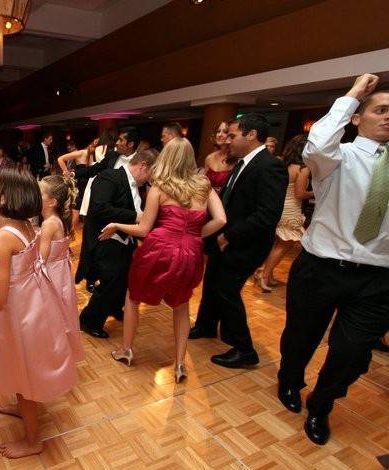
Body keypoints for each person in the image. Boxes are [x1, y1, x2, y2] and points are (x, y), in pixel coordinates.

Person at [277, 74, 389, 445]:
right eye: (381, 110)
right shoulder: (336, 157)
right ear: (357, 117)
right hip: (320, 267)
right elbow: (318, 143)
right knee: (300, 336)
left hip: (377, 279)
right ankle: (290, 381)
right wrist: (354, 94)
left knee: (352, 353)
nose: (388, 117)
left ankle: (322, 404)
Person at [0, 168, 78, 459]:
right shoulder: (25, 225)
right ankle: (21, 408)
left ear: (5, 196)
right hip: (32, 304)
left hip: (18, 312)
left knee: (23, 370)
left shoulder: (3, 237)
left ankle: (33, 441)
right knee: (23, 367)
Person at [100, 139, 226, 381]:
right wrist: (194, 234)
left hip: (159, 249)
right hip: (191, 251)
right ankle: (179, 364)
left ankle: (126, 349)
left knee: (133, 297)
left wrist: (116, 224)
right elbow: (221, 220)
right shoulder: (204, 186)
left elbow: (144, 229)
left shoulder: (159, 188)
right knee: (181, 306)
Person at [190, 114, 288, 368]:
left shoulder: (270, 166)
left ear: (251, 134)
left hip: (245, 243)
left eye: (233, 135)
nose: (228, 141)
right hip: (225, 238)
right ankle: (206, 325)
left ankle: (244, 349)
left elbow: (266, 215)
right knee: (212, 281)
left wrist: (228, 236)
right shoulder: (244, 163)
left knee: (226, 290)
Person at [75, 150, 156, 338]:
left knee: (124, 279)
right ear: (143, 165)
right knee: (111, 281)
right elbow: (99, 207)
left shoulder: (140, 185)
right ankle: (88, 320)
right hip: (106, 238)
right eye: (152, 172)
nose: (152, 178)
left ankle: (112, 307)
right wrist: (136, 216)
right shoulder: (110, 177)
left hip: (125, 238)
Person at [255, 135, 310, 292]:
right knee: (284, 245)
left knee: (277, 244)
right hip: (291, 209)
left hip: (279, 206)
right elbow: (300, 194)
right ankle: (264, 276)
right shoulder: (302, 168)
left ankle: (267, 273)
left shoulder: (283, 164)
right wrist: (316, 193)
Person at [38, 175, 84, 362]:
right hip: (61, 274)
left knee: (51, 316)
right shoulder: (58, 219)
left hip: (51, 276)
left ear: (52, 202)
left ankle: (53, 356)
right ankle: (62, 353)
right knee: (62, 314)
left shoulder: (49, 224)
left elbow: (39, 259)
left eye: (39, 192)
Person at [57, 139, 97, 232]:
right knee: (76, 212)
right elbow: (60, 159)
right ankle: (69, 236)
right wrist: (66, 172)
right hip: (80, 186)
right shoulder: (82, 153)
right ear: (91, 144)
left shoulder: (95, 156)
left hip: (90, 186)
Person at [203, 120, 237, 193]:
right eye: (218, 131)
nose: (220, 134)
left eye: (225, 132)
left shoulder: (237, 159)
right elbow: (204, 185)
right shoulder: (209, 158)